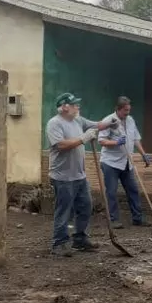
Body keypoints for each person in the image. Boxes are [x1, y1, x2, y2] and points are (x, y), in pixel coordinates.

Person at [46, 93, 118, 257]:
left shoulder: (78, 120)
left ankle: (80, 239)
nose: (78, 107)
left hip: (80, 176)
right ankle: (59, 243)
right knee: (64, 211)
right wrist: (84, 137)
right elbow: (60, 146)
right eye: (74, 104)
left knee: (85, 207)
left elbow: (97, 125)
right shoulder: (54, 123)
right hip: (62, 177)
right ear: (64, 107)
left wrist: (110, 123)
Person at [98, 96, 152, 230]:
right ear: (118, 109)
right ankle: (114, 220)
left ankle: (137, 218)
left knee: (133, 190)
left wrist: (143, 154)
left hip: (127, 162)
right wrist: (115, 143)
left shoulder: (131, 120)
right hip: (110, 163)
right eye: (125, 110)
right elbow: (102, 141)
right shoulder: (108, 121)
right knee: (111, 192)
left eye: (129, 110)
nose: (127, 113)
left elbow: (135, 140)